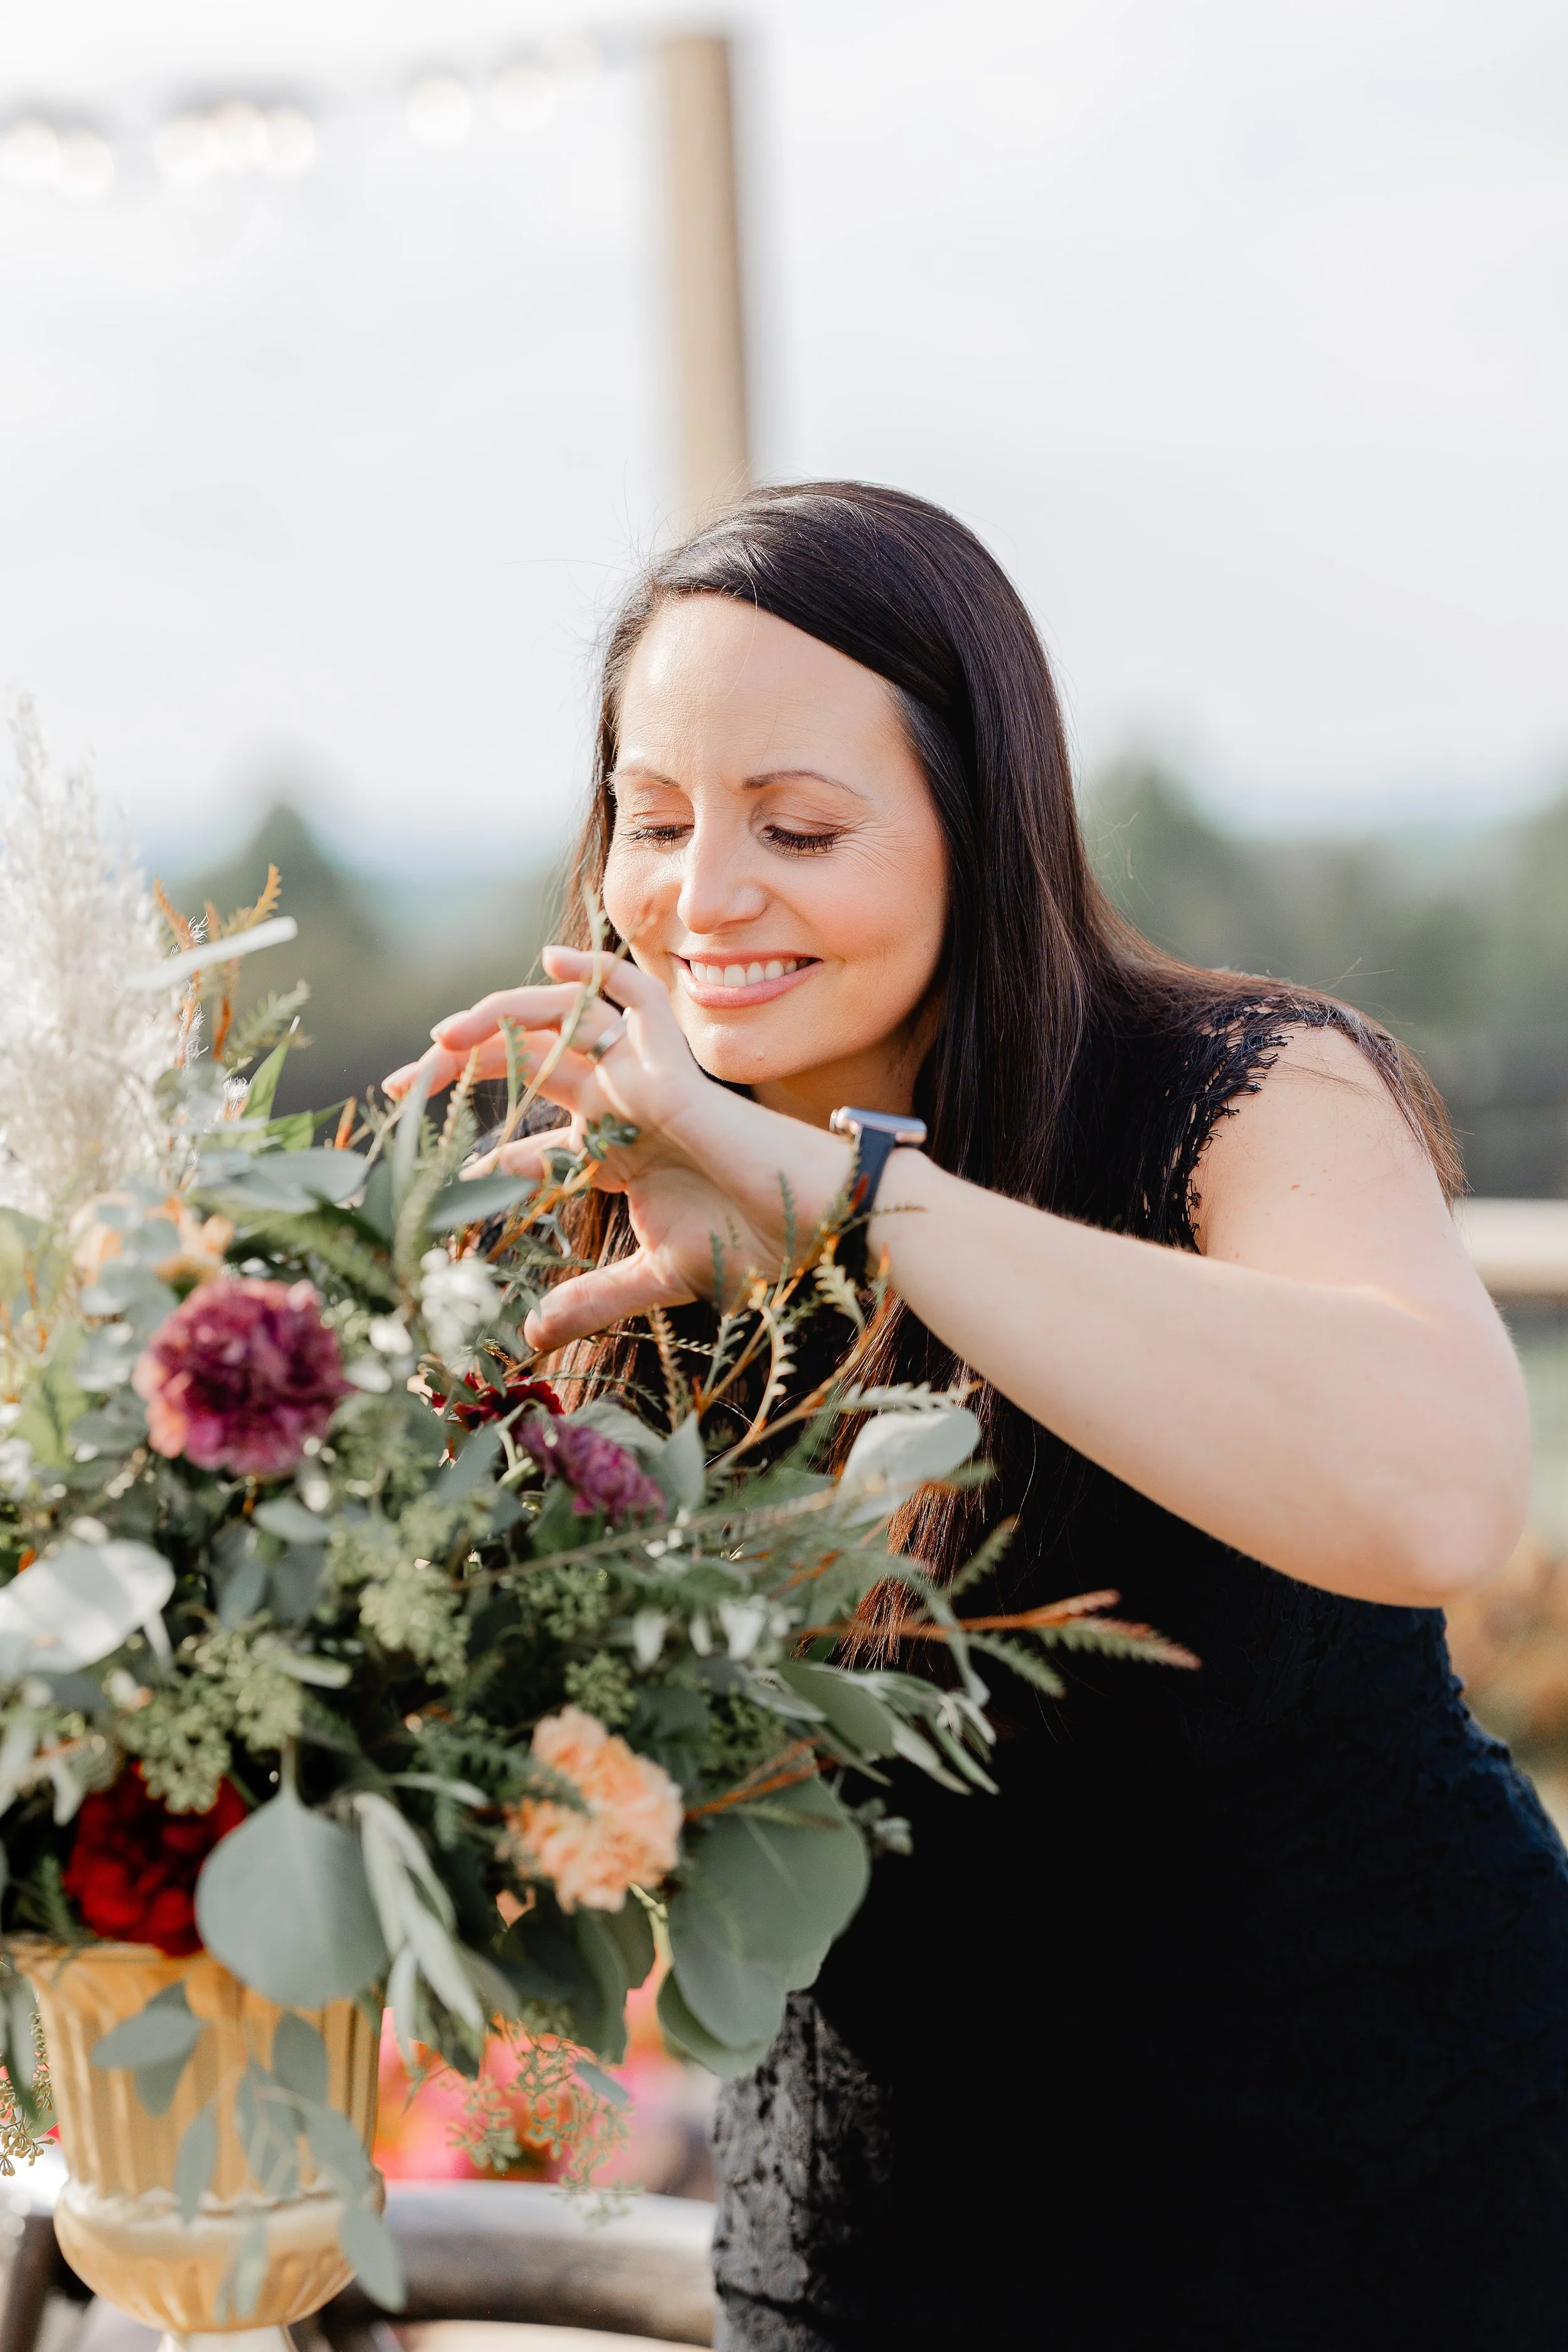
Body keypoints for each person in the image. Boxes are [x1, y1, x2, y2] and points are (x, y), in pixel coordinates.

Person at [387, 482, 1568, 2350]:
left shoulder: (1245, 1089)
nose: (704, 899)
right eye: (656, 820)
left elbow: (1436, 1493)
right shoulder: (592, 1197)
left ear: (977, 828)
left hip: (1394, 2211)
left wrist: (845, 1197)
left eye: (796, 827)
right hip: (882, 2254)